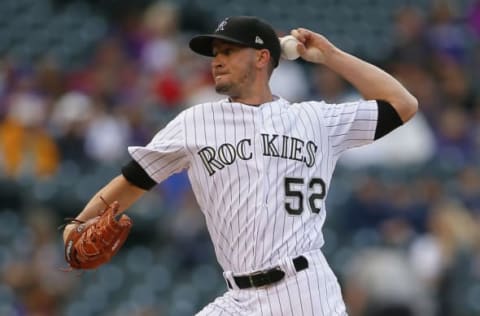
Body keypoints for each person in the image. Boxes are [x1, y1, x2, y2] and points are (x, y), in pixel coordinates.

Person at [62, 16, 418, 315]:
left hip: (305, 292)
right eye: (215, 53)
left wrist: (331, 56)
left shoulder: (316, 120)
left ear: (262, 57)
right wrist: (81, 220)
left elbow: (402, 103)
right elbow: (134, 179)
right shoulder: (196, 122)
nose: (216, 60)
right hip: (240, 298)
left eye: (229, 51)